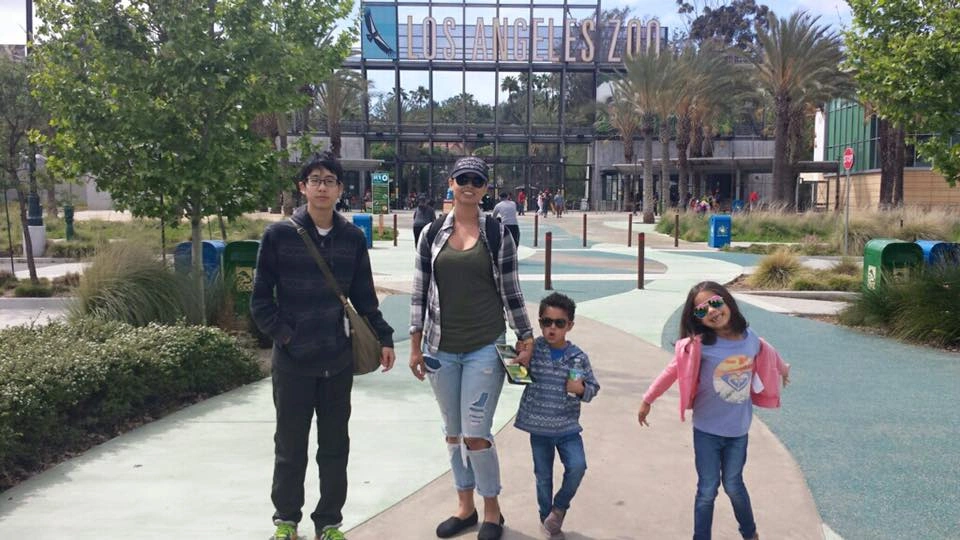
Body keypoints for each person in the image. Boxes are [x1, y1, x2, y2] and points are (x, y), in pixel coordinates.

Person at [251, 151, 397, 540]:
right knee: (290, 446)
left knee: (334, 447)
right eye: (314, 180)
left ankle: (329, 522)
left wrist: (384, 337)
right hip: (293, 363)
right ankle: (286, 520)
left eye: (329, 181)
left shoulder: (352, 238)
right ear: (303, 187)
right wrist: (287, 337)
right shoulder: (278, 236)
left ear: (340, 189)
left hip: (337, 361)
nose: (321, 187)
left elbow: (365, 298)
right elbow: (261, 301)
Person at [409, 155, 535, 540]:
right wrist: (414, 345)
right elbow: (419, 292)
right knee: (453, 432)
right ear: (451, 182)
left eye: (476, 180)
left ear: (485, 189)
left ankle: (492, 509)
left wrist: (525, 336)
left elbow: (511, 290)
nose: (468, 185)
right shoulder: (431, 233)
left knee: (476, 433)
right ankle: (465, 506)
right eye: (462, 178)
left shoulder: (497, 233)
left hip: (485, 346)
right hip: (439, 348)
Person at [637, 281, 790, 540]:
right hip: (706, 430)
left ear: (727, 300)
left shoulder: (750, 338)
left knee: (733, 484)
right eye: (701, 310)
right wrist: (648, 399)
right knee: (707, 489)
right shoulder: (699, 346)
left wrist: (784, 370)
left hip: (738, 431)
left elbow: (768, 352)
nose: (711, 311)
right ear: (696, 318)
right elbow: (672, 371)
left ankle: (750, 533)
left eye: (715, 303)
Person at [514, 292, 599, 539]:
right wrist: (518, 359)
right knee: (543, 477)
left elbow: (593, 388)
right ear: (540, 322)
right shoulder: (534, 349)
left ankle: (559, 507)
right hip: (539, 427)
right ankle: (547, 519)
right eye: (546, 322)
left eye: (559, 323)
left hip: (567, 427)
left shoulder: (578, 357)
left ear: (569, 325)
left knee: (577, 466)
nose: (552, 328)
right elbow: (518, 374)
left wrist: (581, 389)